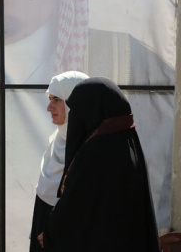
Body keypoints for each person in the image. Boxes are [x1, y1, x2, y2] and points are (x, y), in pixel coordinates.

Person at [40, 77, 160, 251]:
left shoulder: (97, 152)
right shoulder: (128, 141)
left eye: (76, 110)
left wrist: (50, 234)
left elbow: (77, 210)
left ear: (90, 110)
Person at [29, 71, 89, 252]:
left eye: (57, 99)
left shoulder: (90, 150)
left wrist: (55, 233)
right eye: (50, 99)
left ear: (74, 103)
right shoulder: (56, 143)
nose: (49, 107)